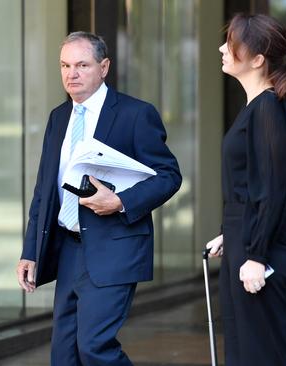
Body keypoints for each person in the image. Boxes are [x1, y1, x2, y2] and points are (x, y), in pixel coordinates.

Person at [16, 31, 181, 365]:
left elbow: (169, 176)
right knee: (64, 355)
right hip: (68, 249)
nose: (71, 74)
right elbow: (44, 189)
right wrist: (30, 250)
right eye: (64, 65)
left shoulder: (135, 114)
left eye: (82, 65)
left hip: (114, 247)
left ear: (104, 67)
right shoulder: (58, 117)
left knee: (95, 347)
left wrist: (120, 202)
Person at [205, 14, 286, 365]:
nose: (221, 48)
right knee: (244, 350)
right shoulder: (258, 106)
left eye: (230, 44)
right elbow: (249, 185)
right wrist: (226, 232)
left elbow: (274, 191)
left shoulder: (269, 109)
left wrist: (258, 255)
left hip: (259, 252)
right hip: (244, 242)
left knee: (259, 353)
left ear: (258, 59)